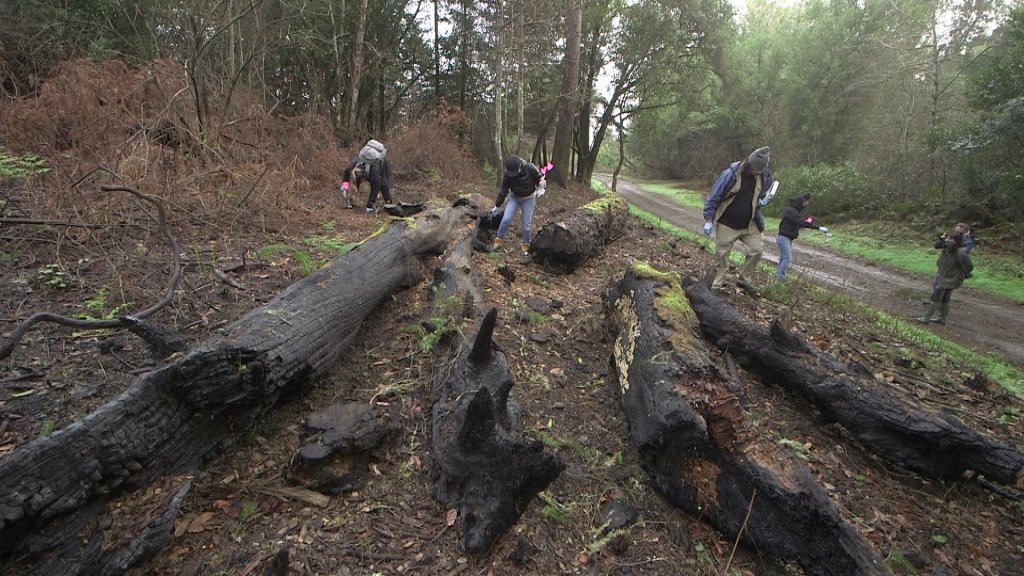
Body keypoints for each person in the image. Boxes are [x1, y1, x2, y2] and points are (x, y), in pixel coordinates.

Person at [702, 146, 776, 291]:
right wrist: (709, 220)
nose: (757, 171)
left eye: (760, 169)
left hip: (750, 223)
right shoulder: (730, 175)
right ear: (750, 162)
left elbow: (764, 192)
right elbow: (713, 196)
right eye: (755, 168)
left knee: (757, 250)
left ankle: (744, 280)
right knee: (722, 256)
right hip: (727, 223)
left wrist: (764, 200)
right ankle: (716, 286)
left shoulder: (765, 176)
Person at [492, 155, 543, 256]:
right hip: (514, 198)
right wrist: (497, 205)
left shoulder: (529, 167)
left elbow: (539, 179)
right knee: (505, 219)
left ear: (520, 166)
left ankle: (525, 245)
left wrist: (541, 187)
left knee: (526, 224)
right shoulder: (507, 175)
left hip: (529, 199)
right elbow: (504, 190)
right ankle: (497, 241)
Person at [918, 231, 973, 324]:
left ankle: (926, 318)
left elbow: (969, 266)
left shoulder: (960, 254)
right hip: (943, 276)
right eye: (947, 238)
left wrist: (962, 275)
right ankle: (942, 318)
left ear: (956, 241)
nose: (947, 240)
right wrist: (942, 237)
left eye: (950, 238)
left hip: (950, 279)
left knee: (936, 297)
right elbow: (937, 245)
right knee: (944, 299)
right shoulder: (946, 250)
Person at [774, 193, 828, 281]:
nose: (805, 205)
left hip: (786, 238)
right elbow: (801, 222)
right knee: (787, 258)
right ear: (799, 203)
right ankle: (780, 278)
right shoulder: (792, 211)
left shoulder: (793, 212)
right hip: (783, 238)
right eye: (804, 203)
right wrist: (818, 227)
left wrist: (806, 225)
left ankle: (778, 276)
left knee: (783, 258)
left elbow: (799, 223)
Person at [340, 139, 393, 214]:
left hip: (380, 168)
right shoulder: (358, 160)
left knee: (383, 185)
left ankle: (389, 205)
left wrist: (369, 206)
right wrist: (345, 184)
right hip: (366, 170)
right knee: (354, 181)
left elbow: (375, 187)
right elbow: (347, 170)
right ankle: (352, 202)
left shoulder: (375, 171)